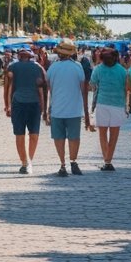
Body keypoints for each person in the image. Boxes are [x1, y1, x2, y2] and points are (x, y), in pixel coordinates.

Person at [45, 40, 90, 176]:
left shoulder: (53, 67)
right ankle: (73, 161)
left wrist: (48, 109)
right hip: (74, 109)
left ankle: (62, 164)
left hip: (57, 108)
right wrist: (86, 111)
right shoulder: (77, 67)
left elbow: (49, 88)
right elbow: (83, 89)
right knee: (74, 137)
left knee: (58, 137)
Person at [4, 45, 47, 174]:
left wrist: (7, 105)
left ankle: (26, 162)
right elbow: (43, 88)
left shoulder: (14, 67)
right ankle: (27, 161)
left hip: (23, 103)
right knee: (30, 135)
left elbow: (7, 87)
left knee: (21, 134)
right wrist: (44, 108)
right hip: (28, 104)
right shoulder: (36, 68)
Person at [89, 47, 127, 170]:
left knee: (103, 134)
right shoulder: (122, 70)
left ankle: (107, 160)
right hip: (118, 104)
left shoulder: (98, 69)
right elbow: (126, 86)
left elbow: (92, 83)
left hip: (102, 103)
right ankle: (108, 160)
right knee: (114, 135)